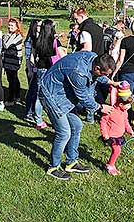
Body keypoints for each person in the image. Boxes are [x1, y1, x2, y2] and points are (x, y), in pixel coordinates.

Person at [39, 52, 116, 180]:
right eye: (104, 74)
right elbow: (83, 97)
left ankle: (71, 162)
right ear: (97, 68)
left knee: (77, 125)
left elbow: (98, 77)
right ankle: (53, 167)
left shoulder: (93, 58)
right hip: (51, 95)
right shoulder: (78, 73)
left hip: (65, 95)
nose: (105, 76)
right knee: (64, 133)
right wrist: (101, 107)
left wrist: (112, 83)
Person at [100, 89, 134, 175]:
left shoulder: (124, 112)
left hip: (119, 135)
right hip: (111, 136)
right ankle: (110, 165)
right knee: (117, 150)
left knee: (116, 151)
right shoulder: (111, 111)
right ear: (120, 104)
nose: (130, 107)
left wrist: (130, 131)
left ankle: (111, 164)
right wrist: (105, 134)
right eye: (128, 105)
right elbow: (103, 121)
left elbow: (125, 122)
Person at [31, 19, 58, 130]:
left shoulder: (37, 40)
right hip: (51, 69)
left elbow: (32, 56)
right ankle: (56, 120)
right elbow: (59, 55)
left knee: (39, 95)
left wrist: (33, 66)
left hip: (40, 68)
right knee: (52, 95)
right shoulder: (54, 41)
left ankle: (38, 121)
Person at [2, 18, 24, 107]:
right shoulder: (10, 34)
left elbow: (6, 45)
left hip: (14, 60)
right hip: (8, 59)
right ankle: (17, 95)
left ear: (17, 26)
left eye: (12, 25)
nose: (9, 27)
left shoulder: (17, 36)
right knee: (12, 78)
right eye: (9, 25)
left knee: (12, 79)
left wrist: (3, 38)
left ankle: (11, 99)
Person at [24, 19, 40, 122]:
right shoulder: (31, 39)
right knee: (32, 91)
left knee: (35, 91)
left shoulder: (38, 38)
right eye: (38, 26)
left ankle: (33, 111)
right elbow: (29, 56)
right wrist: (31, 68)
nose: (40, 27)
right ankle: (29, 113)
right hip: (32, 67)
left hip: (36, 67)